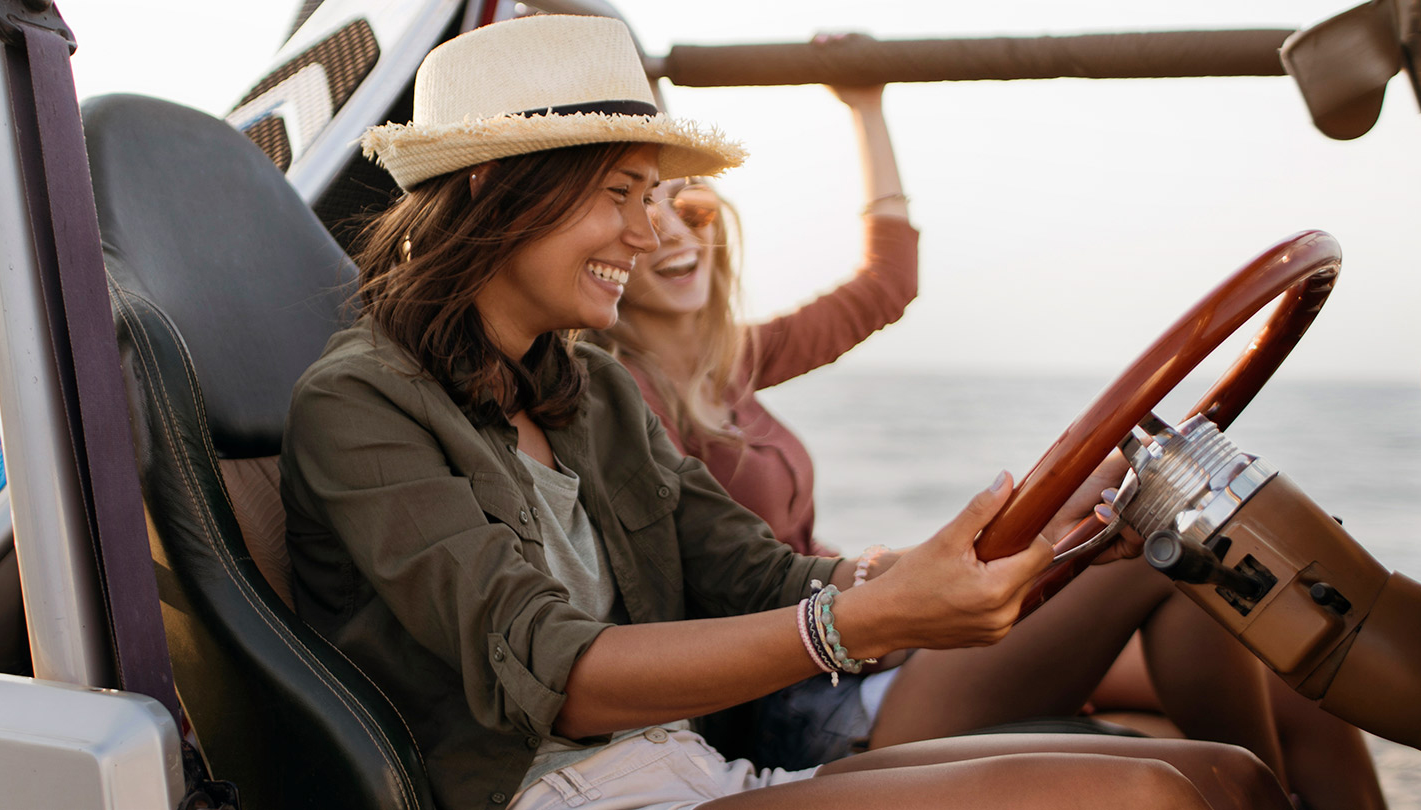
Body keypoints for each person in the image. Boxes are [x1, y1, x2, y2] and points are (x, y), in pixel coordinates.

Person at [281, 15, 1288, 810]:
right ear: (497, 186)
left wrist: (948, 561)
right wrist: (859, 621)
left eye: (657, 198)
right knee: (1146, 794)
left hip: (686, 769)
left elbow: (764, 577)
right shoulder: (359, 404)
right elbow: (561, 675)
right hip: (562, 794)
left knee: (1228, 775)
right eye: (620, 195)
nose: (647, 234)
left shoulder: (590, 393)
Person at [590, 77, 1384, 809]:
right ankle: (1249, 789)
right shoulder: (625, 402)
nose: (667, 234)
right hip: (811, 704)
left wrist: (865, 104)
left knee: (1291, 676)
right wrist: (902, 603)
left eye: (686, 209)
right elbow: (726, 584)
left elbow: (887, 284)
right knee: (1159, 536)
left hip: (873, 653)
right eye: (641, 212)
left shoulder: (736, 362)